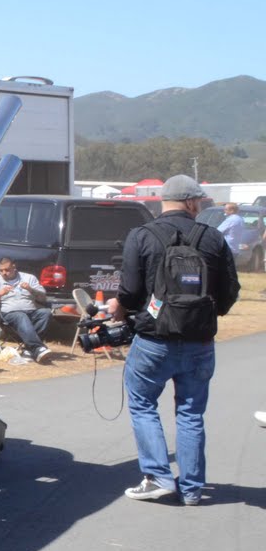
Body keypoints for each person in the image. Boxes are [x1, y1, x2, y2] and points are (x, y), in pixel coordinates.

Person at [109, 174, 239, 505]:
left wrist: (120, 309)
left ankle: (157, 477)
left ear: (163, 201)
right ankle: (192, 489)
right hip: (200, 342)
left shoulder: (141, 235)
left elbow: (130, 289)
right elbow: (230, 290)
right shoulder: (213, 238)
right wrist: (208, 314)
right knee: (191, 413)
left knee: (142, 403)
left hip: (153, 339)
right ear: (191, 201)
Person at [0, 256, 53, 363]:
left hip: (31, 311)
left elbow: (43, 298)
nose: (4, 273)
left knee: (46, 313)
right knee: (20, 315)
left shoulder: (29, 278)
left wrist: (30, 289)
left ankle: (29, 350)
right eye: (1, 270)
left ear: (14, 267)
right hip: (8, 314)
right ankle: (37, 348)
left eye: (7, 270)